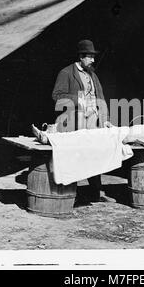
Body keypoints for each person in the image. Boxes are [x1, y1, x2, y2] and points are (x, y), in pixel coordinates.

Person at [51, 39, 111, 203]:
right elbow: (56, 96)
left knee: (94, 154)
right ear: (81, 56)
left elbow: (101, 99)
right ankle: (71, 193)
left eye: (93, 56)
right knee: (75, 154)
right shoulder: (66, 73)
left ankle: (95, 193)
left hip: (94, 120)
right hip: (75, 120)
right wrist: (77, 99)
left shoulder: (93, 75)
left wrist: (105, 119)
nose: (93, 60)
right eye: (90, 56)